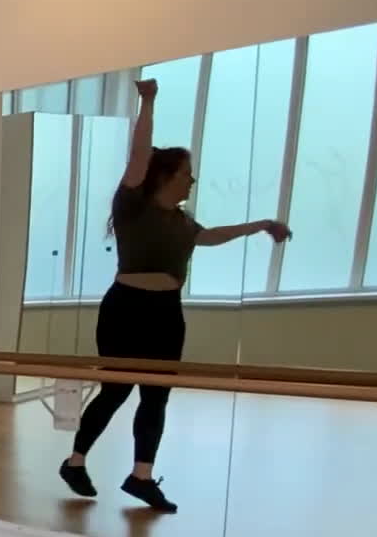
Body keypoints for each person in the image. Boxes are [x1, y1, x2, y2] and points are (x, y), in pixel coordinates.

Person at [59, 77, 290, 513]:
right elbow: (138, 154)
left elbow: (211, 236)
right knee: (115, 391)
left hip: (167, 312)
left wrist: (260, 225)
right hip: (126, 309)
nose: (192, 180)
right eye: (186, 173)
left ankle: (141, 476)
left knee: (156, 395)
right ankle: (75, 462)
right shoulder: (132, 206)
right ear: (164, 175)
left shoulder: (182, 222)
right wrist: (148, 102)